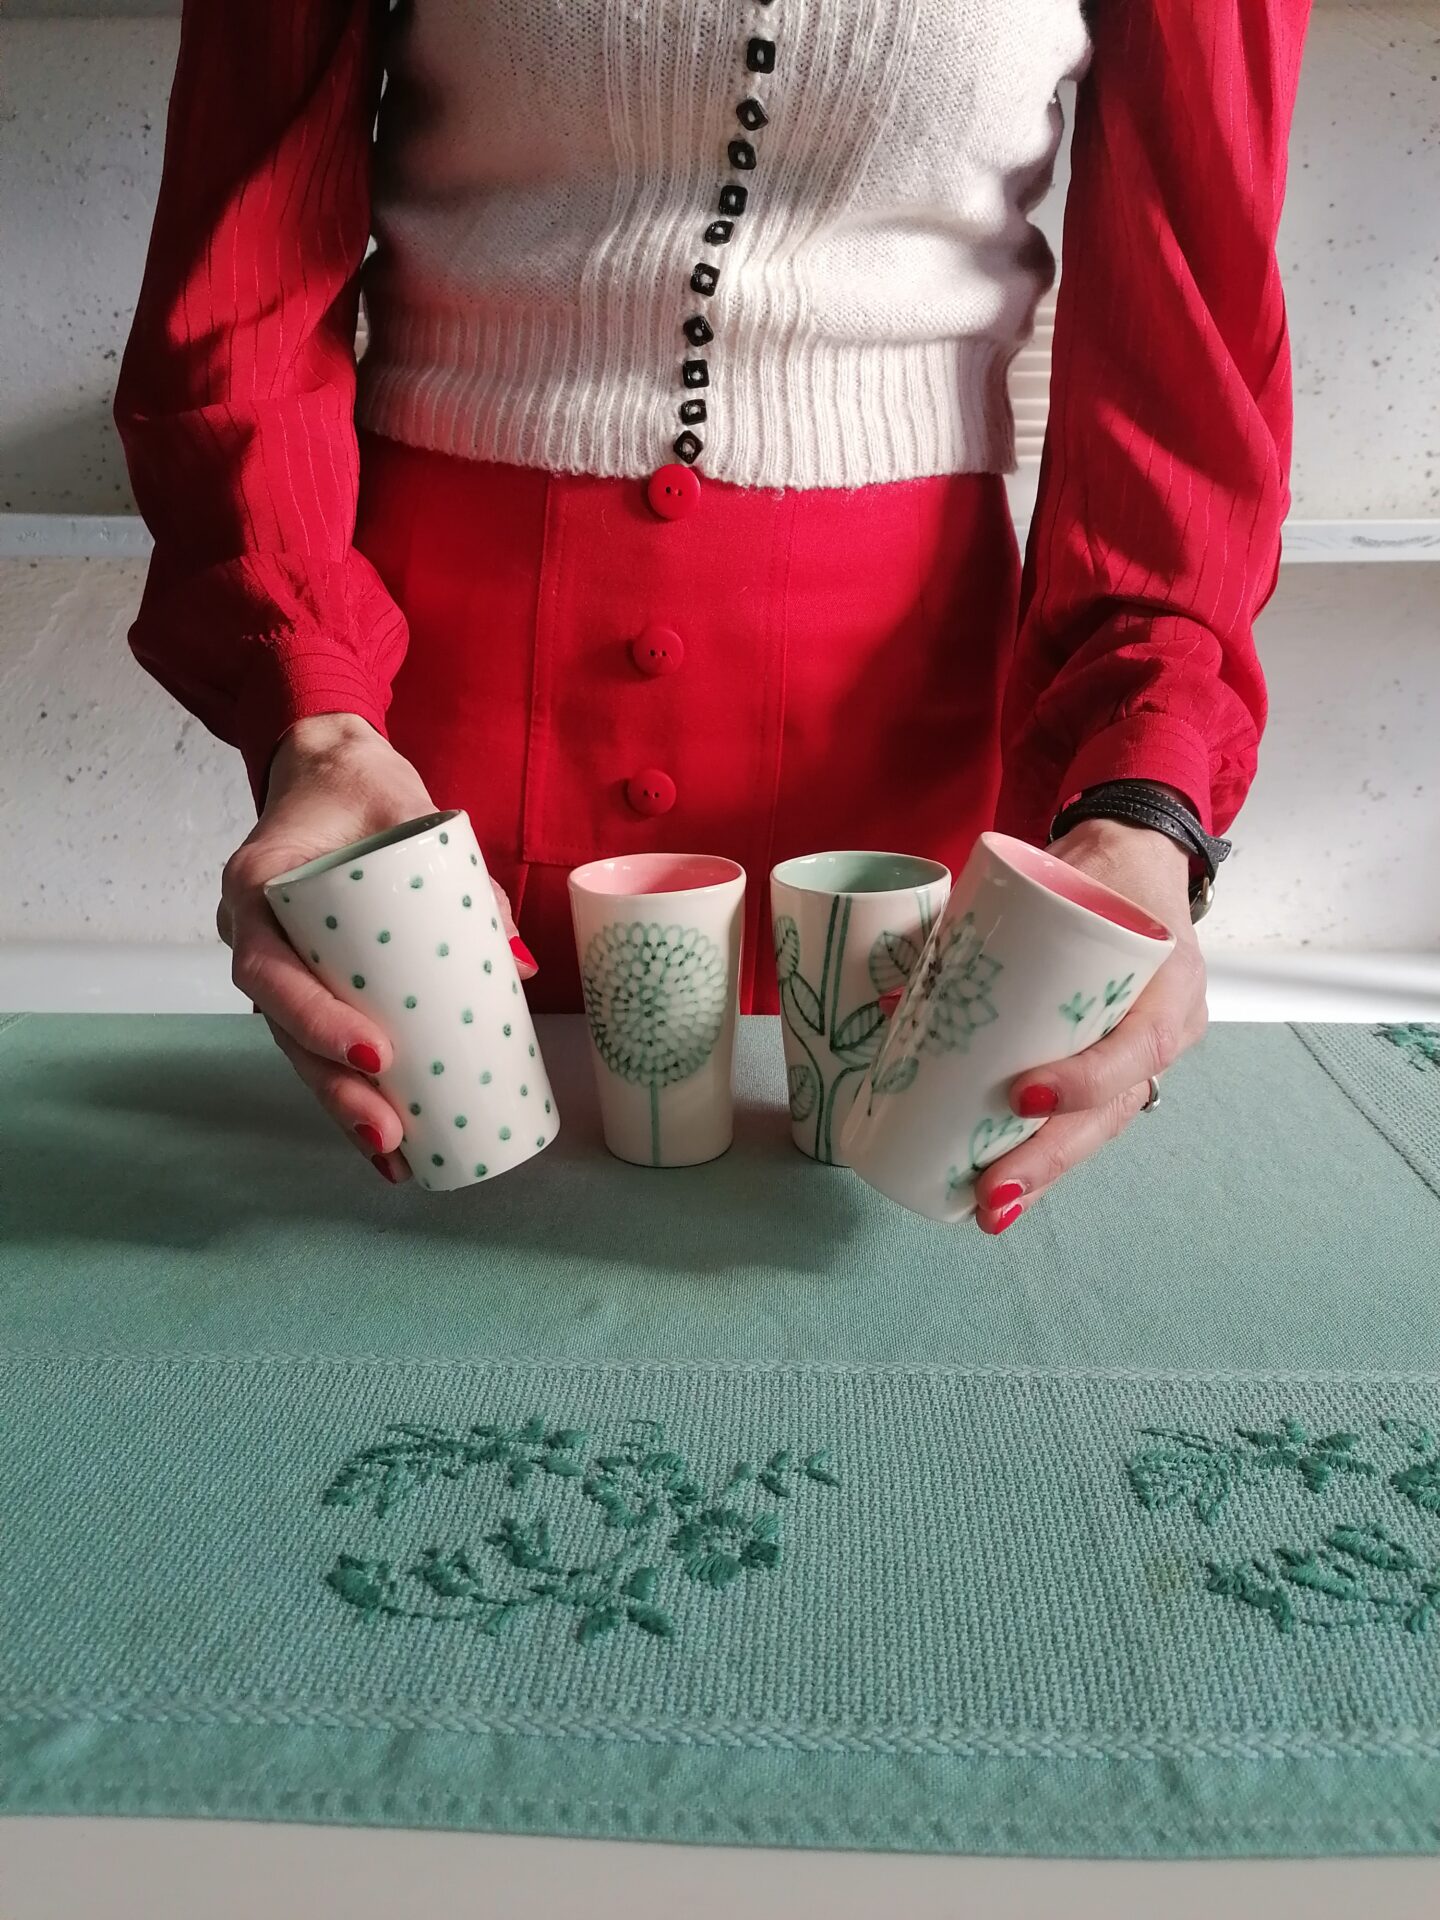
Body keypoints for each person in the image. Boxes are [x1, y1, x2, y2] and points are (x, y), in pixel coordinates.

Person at [115, 0, 1310, 1226]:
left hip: (900, 727)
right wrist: (315, 719)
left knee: (858, 1246)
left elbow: (1188, 358)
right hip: (415, 734)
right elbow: (242, 280)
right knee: (424, 1247)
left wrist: (1142, 803)